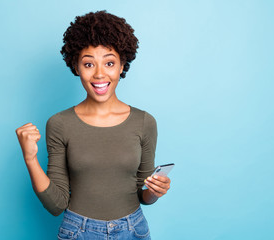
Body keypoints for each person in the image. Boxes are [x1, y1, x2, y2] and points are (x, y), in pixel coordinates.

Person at [15, 10, 171, 239]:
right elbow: (56, 205)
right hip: (79, 231)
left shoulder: (144, 122)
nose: (99, 74)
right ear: (76, 67)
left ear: (121, 66)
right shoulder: (59, 124)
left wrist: (156, 192)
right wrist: (30, 158)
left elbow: (143, 194)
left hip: (133, 230)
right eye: (89, 64)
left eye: (109, 63)